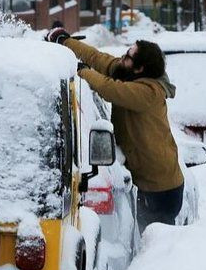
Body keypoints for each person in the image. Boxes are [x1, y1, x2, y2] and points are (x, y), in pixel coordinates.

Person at [45, 25, 185, 233]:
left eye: (128, 56)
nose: (122, 57)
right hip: (143, 182)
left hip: (160, 190)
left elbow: (108, 89)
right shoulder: (129, 72)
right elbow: (98, 58)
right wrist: (64, 41)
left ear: (140, 68)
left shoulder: (148, 93)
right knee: (142, 241)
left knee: (156, 247)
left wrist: (81, 71)